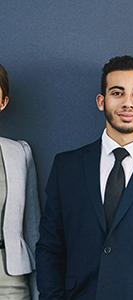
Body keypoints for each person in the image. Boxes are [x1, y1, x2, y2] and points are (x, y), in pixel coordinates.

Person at [36, 55, 133, 299]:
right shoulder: (66, 166)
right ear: (101, 101)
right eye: (117, 93)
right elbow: (50, 246)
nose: (127, 103)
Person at [0, 64, 41, 300]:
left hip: (11, 281)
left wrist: (39, 290)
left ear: (3, 102)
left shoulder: (19, 152)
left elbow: (32, 227)